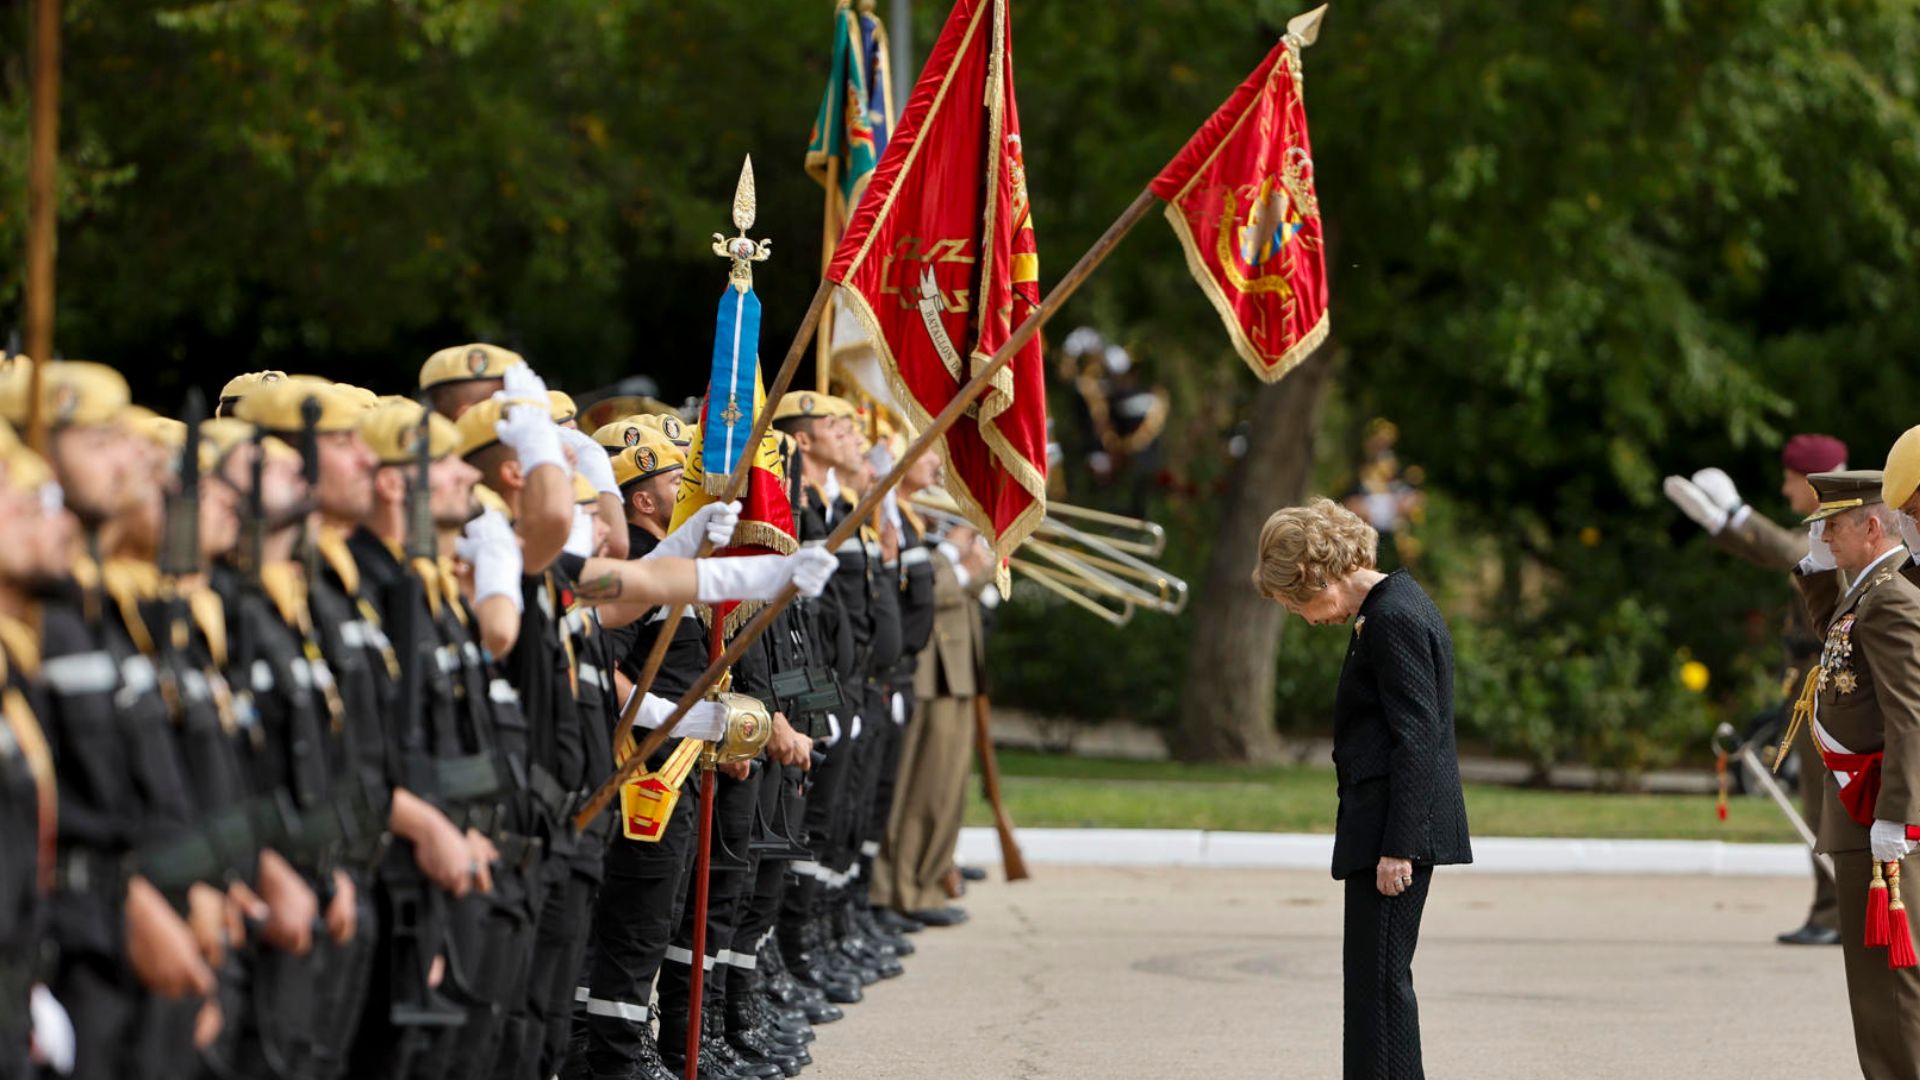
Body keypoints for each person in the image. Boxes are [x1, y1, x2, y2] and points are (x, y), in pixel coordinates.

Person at [1253, 497, 1471, 1080]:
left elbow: (1418, 737)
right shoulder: (1388, 606)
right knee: (1372, 985)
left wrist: (1398, 845)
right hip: (1384, 827)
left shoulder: (1392, 616)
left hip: (1393, 834)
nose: (1305, 617)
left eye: (1299, 602)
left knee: (1379, 987)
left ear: (1320, 575)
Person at [1665, 433, 1849, 946]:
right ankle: (1831, 910)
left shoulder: (1845, 526)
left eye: (1790, 479)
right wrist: (1720, 524)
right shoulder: (1827, 523)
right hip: (1814, 683)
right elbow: (1782, 554)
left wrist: (1736, 515)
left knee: (1827, 803)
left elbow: (1793, 555)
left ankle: (1836, 913)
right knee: (1819, 801)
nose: (1784, 487)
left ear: (1812, 482)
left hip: (1836, 685)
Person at [1789, 469, 1920, 1078]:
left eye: (1832, 526)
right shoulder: (1868, 590)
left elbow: (1909, 716)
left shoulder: (1890, 596)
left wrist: (1897, 815)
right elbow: (1836, 645)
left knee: (1889, 990)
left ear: (1871, 526)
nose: (1824, 535)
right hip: (1860, 812)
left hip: (1876, 814)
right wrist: (1817, 572)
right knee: (1877, 988)